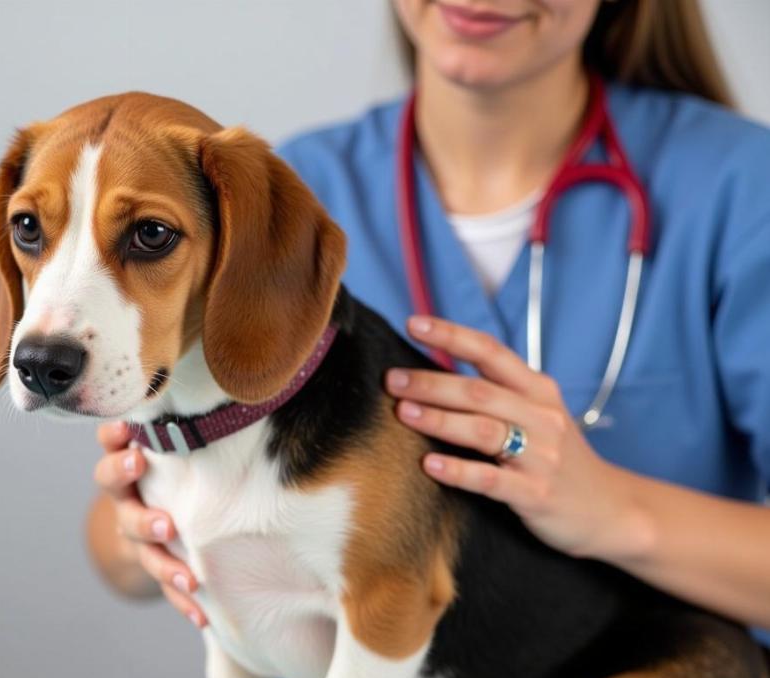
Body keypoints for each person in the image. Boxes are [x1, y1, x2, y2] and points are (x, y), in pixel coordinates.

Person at [89, 0, 770, 642]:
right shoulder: (285, 196)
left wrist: (618, 513)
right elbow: (119, 527)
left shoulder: (740, 187)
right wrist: (142, 531)